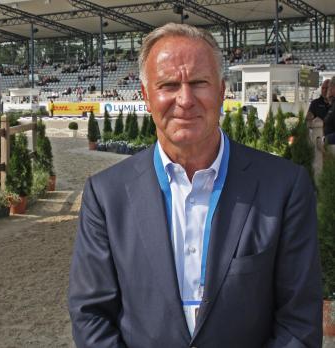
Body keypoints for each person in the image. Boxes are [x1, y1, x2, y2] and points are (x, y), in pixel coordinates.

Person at [68, 23, 322, 347]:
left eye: (199, 82)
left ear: (221, 90)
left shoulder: (284, 188)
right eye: (169, 84)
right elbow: (91, 315)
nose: (185, 99)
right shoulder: (106, 196)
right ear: (146, 97)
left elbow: (299, 322)